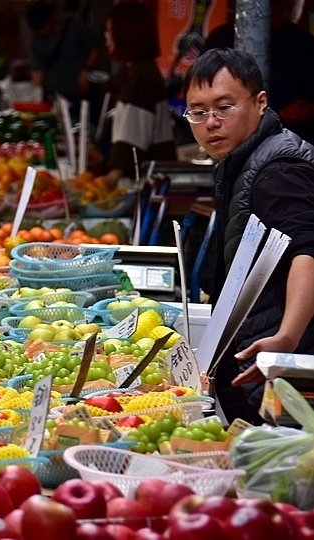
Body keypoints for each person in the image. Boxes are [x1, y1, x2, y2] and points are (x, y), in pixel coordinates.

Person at [182, 48, 314, 425]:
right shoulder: (244, 159)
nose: (211, 122)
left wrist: (287, 337)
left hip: (286, 362)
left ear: (260, 103)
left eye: (224, 107)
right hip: (264, 358)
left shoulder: (279, 169)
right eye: (198, 111)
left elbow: (307, 250)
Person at [203, 0, 314, 143]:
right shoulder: (220, 38)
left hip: (291, 135)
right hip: (231, 131)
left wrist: (304, 108)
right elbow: (205, 85)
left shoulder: (301, 42)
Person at [100, 0, 175, 182]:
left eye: (110, 32)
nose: (107, 38)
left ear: (126, 35)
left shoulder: (142, 76)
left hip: (147, 181)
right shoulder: (139, 71)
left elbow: (132, 137)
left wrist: (108, 180)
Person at [25, 0, 101, 109]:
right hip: (55, 98)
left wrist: (86, 70)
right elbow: (38, 71)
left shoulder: (74, 27)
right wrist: (37, 97)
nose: (42, 32)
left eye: (43, 27)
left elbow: (94, 47)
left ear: (50, 19)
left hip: (79, 94)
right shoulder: (37, 42)